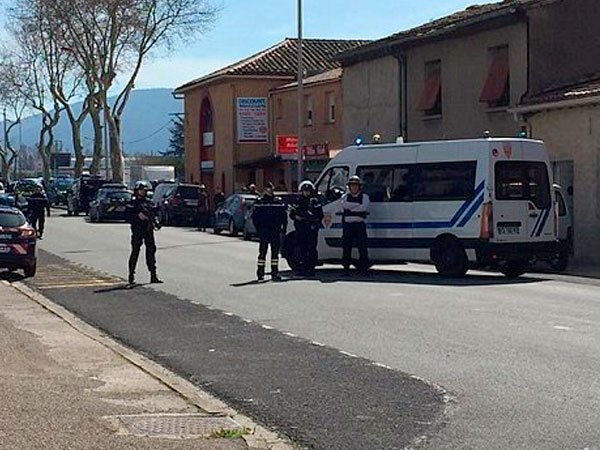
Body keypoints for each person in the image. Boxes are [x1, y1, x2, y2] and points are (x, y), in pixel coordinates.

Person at [127, 182, 162, 285]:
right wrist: (138, 216)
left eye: (144, 190)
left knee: (151, 251)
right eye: (141, 190)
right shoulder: (133, 203)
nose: (143, 192)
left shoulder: (148, 202)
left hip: (148, 230)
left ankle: (153, 275)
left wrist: (156, 221)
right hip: (137, 230)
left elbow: (154, 214)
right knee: (135, 251)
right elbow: (127, 216)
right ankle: (131, 275)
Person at [251, 182, 287, 281]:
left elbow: (283, 216)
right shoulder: (260, 202)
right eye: (268, 189)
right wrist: (259, 229)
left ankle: (275, 273)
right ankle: (260, 274)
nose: (270, 191)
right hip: (264, 231)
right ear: (264, 190)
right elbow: (255, 217)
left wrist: (283, 228)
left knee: (275, 254)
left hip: (275, 231)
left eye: (271, 189)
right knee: (262, 253)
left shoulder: (277, 202)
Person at [290, 180, 323, 277]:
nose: (306, 192)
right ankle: (303, 269)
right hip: (301, 229)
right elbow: (292, 213)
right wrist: (296, 217)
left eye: (308, 191)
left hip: (311, 229)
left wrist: (312, 219)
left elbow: (320, 215)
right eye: (305, 190)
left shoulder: (315, 202)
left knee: (312, 249)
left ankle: (311, 269)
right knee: (302, 249)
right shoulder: (298, 201)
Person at [339, 176, 370, 276]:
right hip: (348, 226)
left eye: (356, 185)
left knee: (362, 247)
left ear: (359, 186)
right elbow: (343, 205)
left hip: (359, 225)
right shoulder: (345, 196)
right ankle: (346, 269)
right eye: (352, 185)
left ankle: (364, 270)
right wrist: (357, 205)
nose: (354, 187)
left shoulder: (364, 197)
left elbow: (363, 208)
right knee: (346, 248)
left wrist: (350, 208)